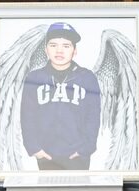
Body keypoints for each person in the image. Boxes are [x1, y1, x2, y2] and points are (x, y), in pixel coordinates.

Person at [20, 22, 101, 170]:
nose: (59, 50)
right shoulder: (34, 78)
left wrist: (85, 149)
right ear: (46, 50)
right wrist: (34, 148)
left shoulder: (87, 78)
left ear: (74, 51)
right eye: (53, 45)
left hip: (78, 156)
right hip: (46, 156)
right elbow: (27, 116)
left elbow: (93, 116)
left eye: (66, 46)